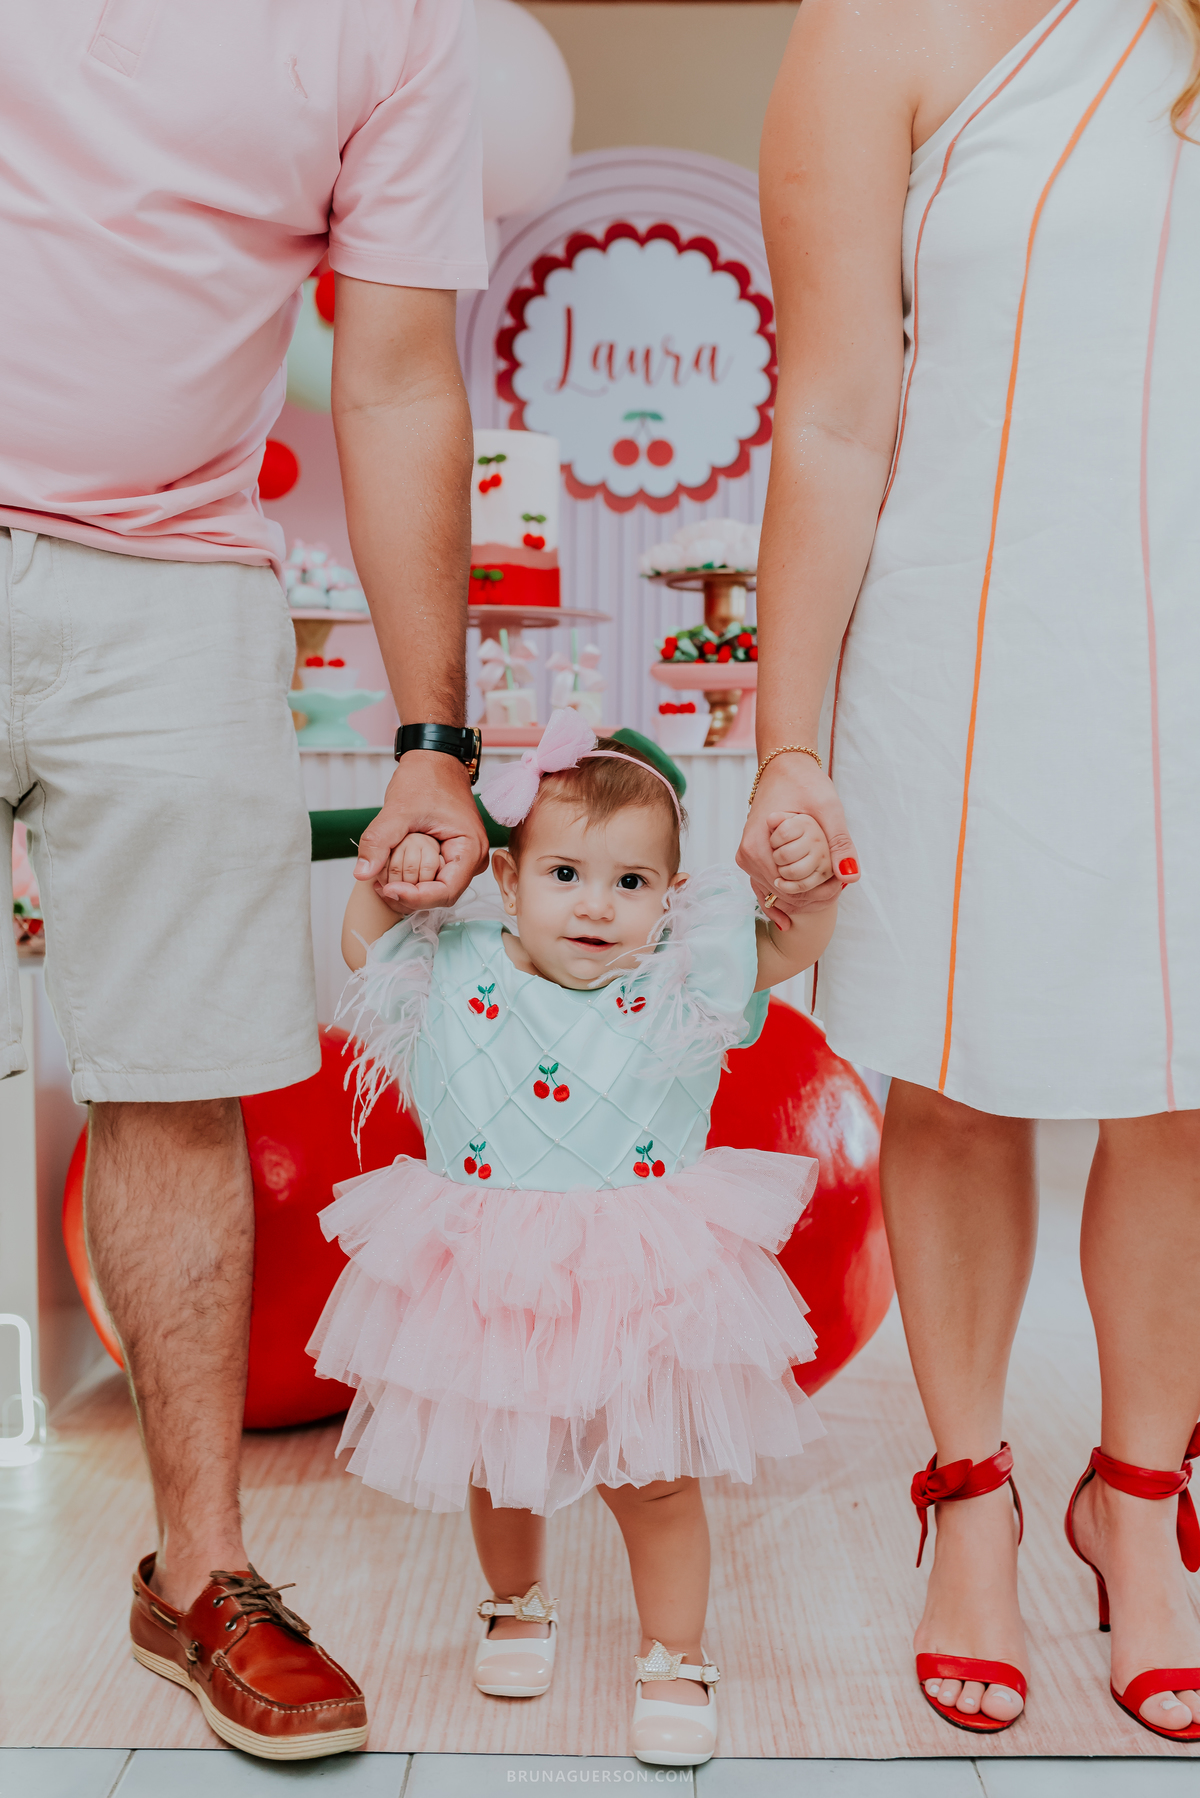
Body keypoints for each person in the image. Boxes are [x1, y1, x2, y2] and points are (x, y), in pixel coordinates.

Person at [2, 0, 491, 1760]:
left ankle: (200, 1573)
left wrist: (434, 731)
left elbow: (395, 371)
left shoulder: (401, 29)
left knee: (177, 1080)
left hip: (176, 587)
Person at [740, 0, 1200, 1743]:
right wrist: (790, 736)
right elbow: (840, 411)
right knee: (955, 1078)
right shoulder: (871, 31)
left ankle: (1137, 1505)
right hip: (976, 642)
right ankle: (972, 1492)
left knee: (1185, 1092)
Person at [309, 708, 839, 1768]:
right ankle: (512, 1600)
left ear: (669, 900)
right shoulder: (451, 964)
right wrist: (400, 855)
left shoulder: (681, 977)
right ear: (505, 880)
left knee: (653, 1472)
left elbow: (783, 946)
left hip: (641, 1269)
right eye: (564, 874)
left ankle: (676, 1653)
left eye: (632, 883)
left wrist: (811, 887)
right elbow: (363, 937)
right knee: (502, 1460)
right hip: (490, 1267)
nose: (596, 904)